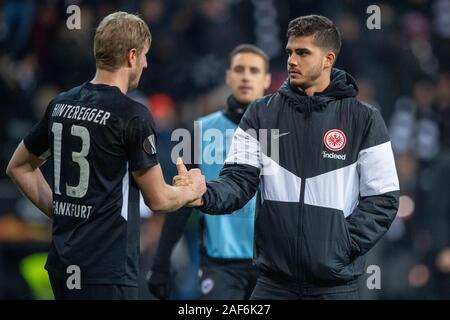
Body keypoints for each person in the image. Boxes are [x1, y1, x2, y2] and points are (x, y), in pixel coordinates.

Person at [175, 15, 400, 300]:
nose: (292, 60)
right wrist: (205, 193)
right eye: (290, 52)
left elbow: (383, 198)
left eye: (303, 53)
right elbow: (238, 180)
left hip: (337, 286)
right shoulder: (261, 113)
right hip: (274, 284)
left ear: (328, 58)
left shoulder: (364, 118)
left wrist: (340, 246)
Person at [5, 12, 205, 300]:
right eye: (145, 56)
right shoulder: (133, 115)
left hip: (64, 263)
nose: (147, 64)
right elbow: (158, 199)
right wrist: (190, 190)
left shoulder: (61, 104)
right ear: (132, 56)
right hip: (108, 269)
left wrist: (60, 210)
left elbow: (19, 166)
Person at [147, 44, 271, 300]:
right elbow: (182, 202)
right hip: (220, 263)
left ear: (267, 79)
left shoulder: (284, 131)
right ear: (228, 77)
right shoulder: (201, 131)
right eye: (239, 69)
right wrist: (161, 263)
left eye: (254, 70)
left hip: (272, 264)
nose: (246, 76)